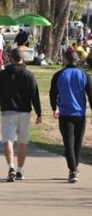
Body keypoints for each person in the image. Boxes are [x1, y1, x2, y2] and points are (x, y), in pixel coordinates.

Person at [0, 48, 42, 182]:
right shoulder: (28, 74)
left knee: (8, 140)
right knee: (23, 142)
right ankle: (20, 170)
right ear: (23, 58)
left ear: (10, 59)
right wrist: (38, 113)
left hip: (8, 111)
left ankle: (11, 167)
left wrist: (2, 105)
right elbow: (35, 94)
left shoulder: (4, 74)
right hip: (24, 112)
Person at [49, 50, 92, 183]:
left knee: (68, 143)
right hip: (80, 113)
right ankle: (74, 167)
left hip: (65, 114)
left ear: (65, 60)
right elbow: (90, 94)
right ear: (77, 60)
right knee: (77, 142)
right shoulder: (84, 75)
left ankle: (73, 169)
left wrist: (54, 107)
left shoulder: (59, 75)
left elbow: (52, 93)